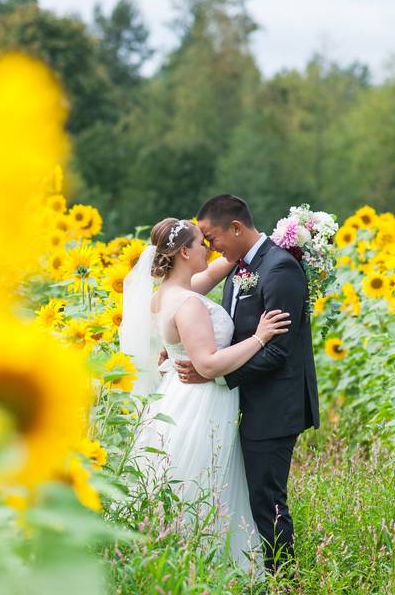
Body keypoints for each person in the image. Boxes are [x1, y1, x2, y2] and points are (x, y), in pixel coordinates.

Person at [120, 217, 290, 574]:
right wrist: (259, 337)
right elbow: (209, 365)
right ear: (184, 252)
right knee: (205, 480)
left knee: (181, 475)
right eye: (201, 244)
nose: (208, 249)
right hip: (200, 400)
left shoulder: (164, 295)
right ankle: (206, 566)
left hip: (174, 397)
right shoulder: (189, 303)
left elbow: (219, 266)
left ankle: (173, 561)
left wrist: (288, 233)